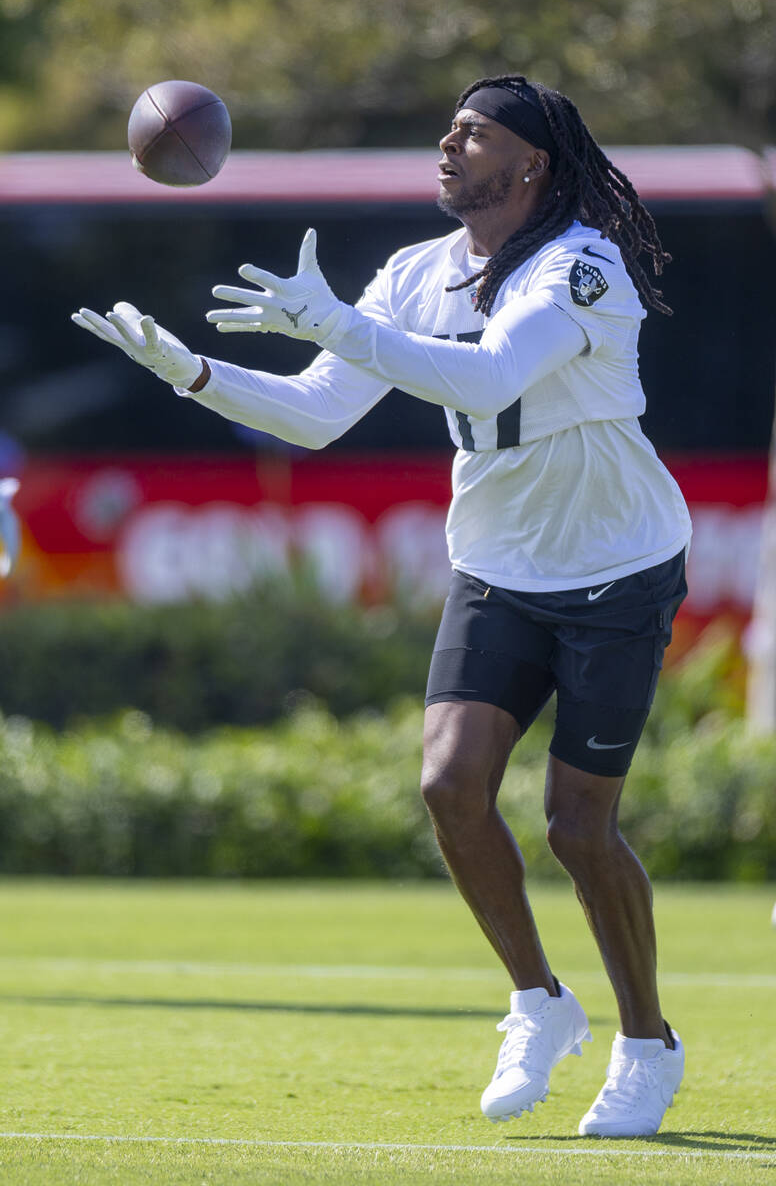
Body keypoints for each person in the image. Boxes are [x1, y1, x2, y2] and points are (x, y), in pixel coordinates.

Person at [72, 74, 692, 1138]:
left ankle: (645, 1045)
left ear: (529, 163)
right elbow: (317, 415)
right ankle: (538, 1004)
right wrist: (189, 373)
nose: (446, 146)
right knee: (449, 788)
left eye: (473, 133)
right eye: (444, 128)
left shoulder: (581, 265)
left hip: (614, 568)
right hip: (497, 566)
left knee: (576, 829)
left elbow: (492, 379)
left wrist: (340, 327)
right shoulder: (415, 271)